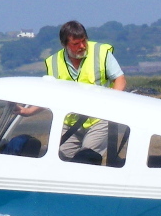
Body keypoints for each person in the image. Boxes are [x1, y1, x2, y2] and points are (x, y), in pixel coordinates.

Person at [45, 21, 126, 163]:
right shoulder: (53, 62)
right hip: (70, 120)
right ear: (64, 45)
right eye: (76, 44)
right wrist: (27, 111)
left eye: (84, 41)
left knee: (86, 158)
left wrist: (111, 102)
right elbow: (48, 93)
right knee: (60, 158)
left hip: (99, 118)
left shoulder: (100, 52)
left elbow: (120, 79)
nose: (82, 46)